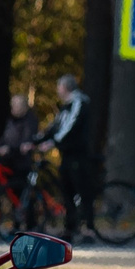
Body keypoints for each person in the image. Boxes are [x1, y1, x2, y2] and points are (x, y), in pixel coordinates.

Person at [43, 74, 92, 240]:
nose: (57, 90)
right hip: (67, 155)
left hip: (78, 155)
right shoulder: (65, 107)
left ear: (66, 88)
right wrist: (38, 140)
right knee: (67, 192)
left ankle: (88, 229)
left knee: (82, 191)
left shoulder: (78, 103)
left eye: (59, 86)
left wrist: (53, 142)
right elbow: (55, 127)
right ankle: (70, 228)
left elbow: (70, 127)